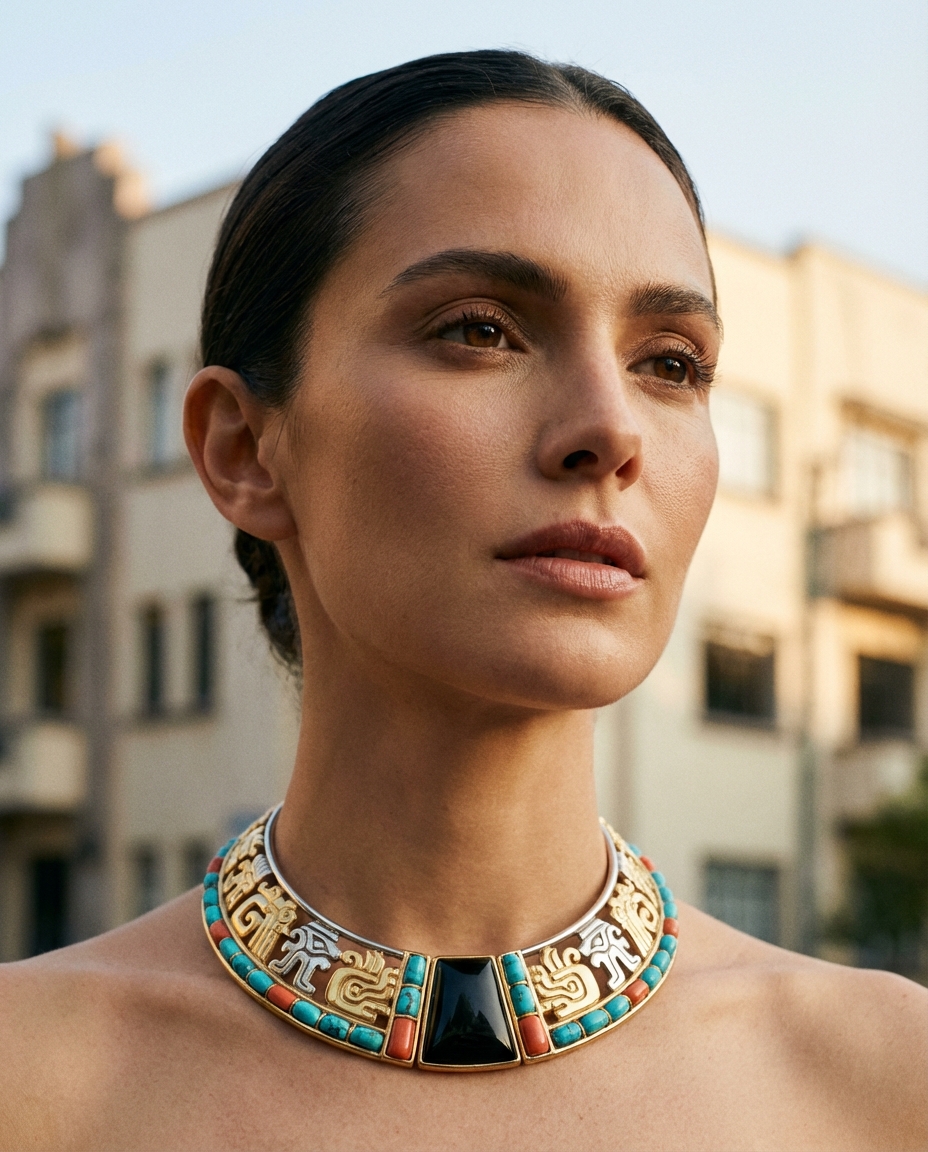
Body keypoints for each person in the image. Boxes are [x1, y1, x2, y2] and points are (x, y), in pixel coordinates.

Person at [0, 50, 924, 1152]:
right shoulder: (31, 1077)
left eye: (670, 363)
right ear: (245, 449)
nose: (611, 428)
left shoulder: (884, 1079)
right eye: (480, 329)